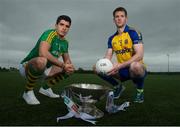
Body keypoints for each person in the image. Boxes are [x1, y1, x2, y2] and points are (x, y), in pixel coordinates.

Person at [94, 7, 147, 103]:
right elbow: (108, 56)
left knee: (135, 66)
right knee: (96, 67)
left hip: (135, 69)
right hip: (121, 71)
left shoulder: (134, 32)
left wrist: (120, 65)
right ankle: (118, 86)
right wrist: (103, 63)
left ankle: (140, 91)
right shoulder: (112, 38)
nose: (119, 18)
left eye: (122, 16)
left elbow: (140, 55)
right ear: (113, 20)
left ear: (126, 18)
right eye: (117, 17)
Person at [19, 15, 75, 105]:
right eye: (61, 24)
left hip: (44, 70)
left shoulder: (65, 42)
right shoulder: (50, 34)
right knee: (42, 61)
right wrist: (63, 65)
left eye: (67, 26)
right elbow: (43, 53)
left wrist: (69, 66)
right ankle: (27, 92)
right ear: (56, 25)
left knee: (69, 69)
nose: (64, 28)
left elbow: (67, 61)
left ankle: (45, 88)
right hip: (27, 67)